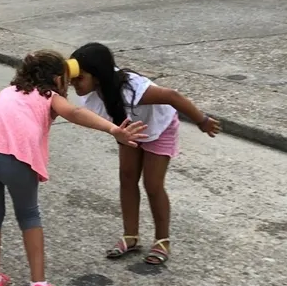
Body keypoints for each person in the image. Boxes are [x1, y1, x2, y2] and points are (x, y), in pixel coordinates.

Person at [0, 50, 148, 286]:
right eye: (65, 79)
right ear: (55, 79)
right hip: (18, 157)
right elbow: (74, 113)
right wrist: (113, 130)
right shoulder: (49, 96)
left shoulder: (6, 92)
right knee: (29, 215)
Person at [68, 43, 220, 266]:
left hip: (160, 127)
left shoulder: (131, 88)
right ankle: (130, 236)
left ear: (98, 76)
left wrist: (202, 120)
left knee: (153, 184)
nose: (74, 84)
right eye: (72, 79)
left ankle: (162, 240)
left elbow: (172, 96)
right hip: (129, 129)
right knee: (127, 177)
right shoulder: (92, 94)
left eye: (79, 78)